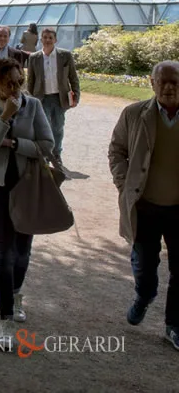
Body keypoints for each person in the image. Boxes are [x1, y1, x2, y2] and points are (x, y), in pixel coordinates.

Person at [0, 58, 55, 349]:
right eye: (10, 82)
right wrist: (4, 118)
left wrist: (15, 144)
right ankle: (5, 320)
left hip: (27, 184)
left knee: (22, 252)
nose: (16, 88)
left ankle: (16, 292)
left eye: (20, 82)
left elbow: (47, 145)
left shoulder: (32, 105)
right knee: (4, 253)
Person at [108, 60, 179, 351]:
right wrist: (124, 184)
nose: (169, 87)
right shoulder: (134, 114)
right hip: (145, 206)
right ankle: (144, 295)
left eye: (175, 82)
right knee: (145, 265)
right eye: (163, 82)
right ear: (152, 83)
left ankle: (174, 326)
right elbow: (117, 150)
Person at [25, 27, 80, 171]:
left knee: (58, 127)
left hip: (59, 98)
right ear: (41, 39)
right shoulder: (34, 57)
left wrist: (76, 96)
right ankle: (45, 155)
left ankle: (56, 155)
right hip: (41, 98)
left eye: (50, 37)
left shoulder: (65, 55)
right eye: (45, 37)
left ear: (55, 40)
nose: (47, 40)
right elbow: (30, 80)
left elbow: (73, 77)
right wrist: (30, 99)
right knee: (44, 128)